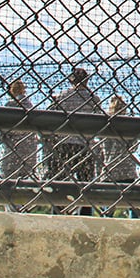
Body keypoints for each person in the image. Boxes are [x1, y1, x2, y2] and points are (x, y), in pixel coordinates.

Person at [48, 66, 104, 215]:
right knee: (86, 184)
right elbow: (99, 119)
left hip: (64, 144)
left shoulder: (63, 95)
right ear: (86, 80)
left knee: (59, 182)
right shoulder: (93, 98)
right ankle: (84, 216)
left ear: (71, 80)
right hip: (85, 146)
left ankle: (57, 214)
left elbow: (52, 115)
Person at [96, 95, 139, 217]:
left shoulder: (104, 125)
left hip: (110, 169)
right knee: (131, 205)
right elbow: (134, 147)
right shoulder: (129, 126)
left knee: (108, 207)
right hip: (127, 170)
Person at [0, 79, 39, 182]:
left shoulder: (11, 104)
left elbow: (3, 128)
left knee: (8, 180)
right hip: (30, 149)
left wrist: (1, 138)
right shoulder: (30, 106)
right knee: (24, 181)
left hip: (13, 147)